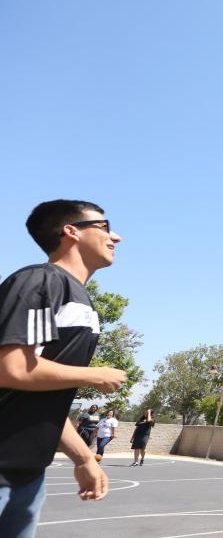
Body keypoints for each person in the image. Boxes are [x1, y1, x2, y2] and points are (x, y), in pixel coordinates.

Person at [0, 199, 126, 535]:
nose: (116, 237)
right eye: (103, 226)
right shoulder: (41, 281)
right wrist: (94, 374)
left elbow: (41, 399)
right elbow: (11, 369)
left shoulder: (80, 300)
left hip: (25, 473)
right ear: (70, 231)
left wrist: (83, 458)